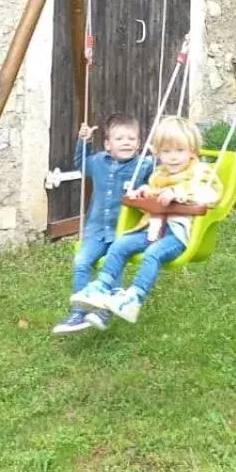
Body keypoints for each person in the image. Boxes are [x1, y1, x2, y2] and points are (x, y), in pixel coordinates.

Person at [71, 115, 220, 324]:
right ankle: (100, 287)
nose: (173, 157)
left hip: (175, 234)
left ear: (192, 151)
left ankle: (134, 298)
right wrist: (144, 191)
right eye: (166, 152)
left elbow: (211, 195)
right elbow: (153, 190)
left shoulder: (200, 172)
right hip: (150, 229)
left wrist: (178, 194)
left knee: (152, 254)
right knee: (120, 244)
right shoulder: (160, 172)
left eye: (179, 151)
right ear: (159, 153)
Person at [51, 113, 152, 335]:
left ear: (139, 144)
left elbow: (159, 180)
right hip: (95, 231)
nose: (126, 142)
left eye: (131, 139)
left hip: (123, 232)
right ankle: (79, 311)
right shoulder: (98, 162)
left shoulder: (143, 166)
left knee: (112, 266)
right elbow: (81, 164)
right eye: (119, 139)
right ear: (107, 144)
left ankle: (104, 312)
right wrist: (83, 142)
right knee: (81, 262)